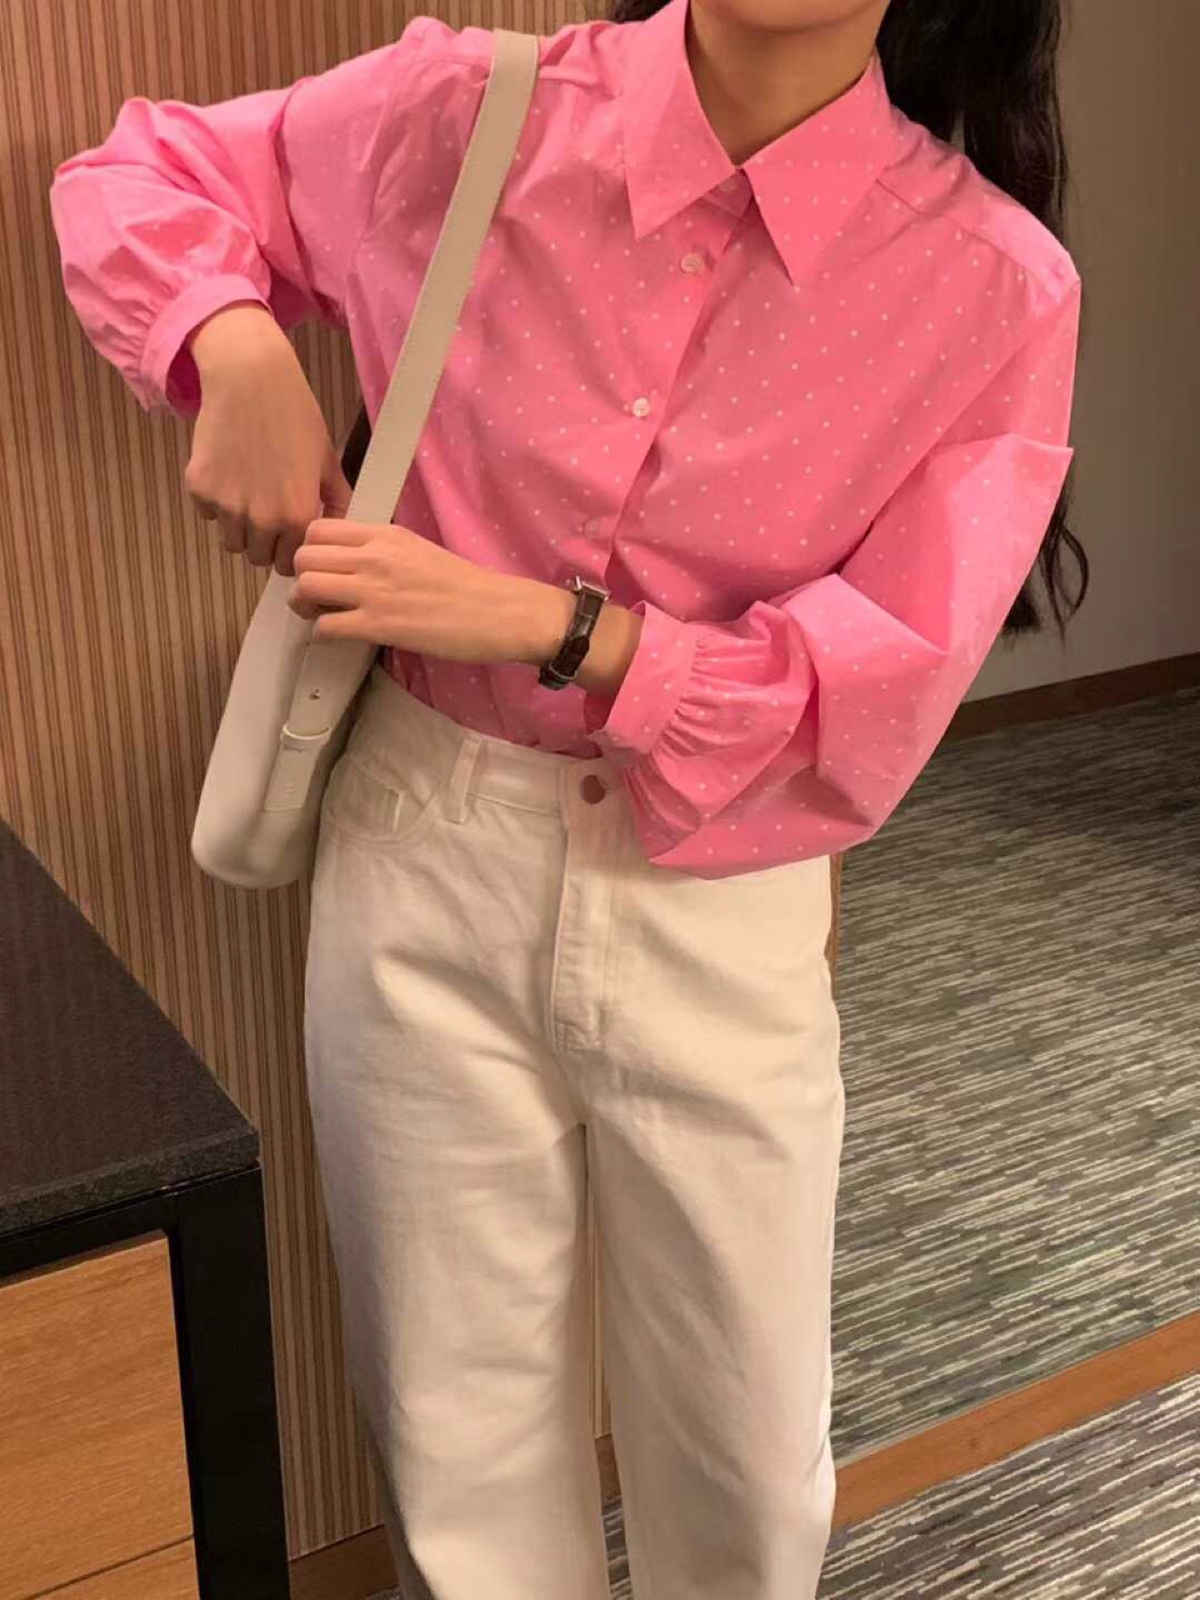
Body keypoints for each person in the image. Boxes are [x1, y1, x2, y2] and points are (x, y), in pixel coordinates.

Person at [47, 0, 1084, 1593]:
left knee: (743, 1451)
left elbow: (880, 687)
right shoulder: (471, 111)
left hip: (714, 884)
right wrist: (231, 342)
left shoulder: (991, 283)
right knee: (453, 1429)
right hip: (425, 842)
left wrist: (561, 629)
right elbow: (135, 174)